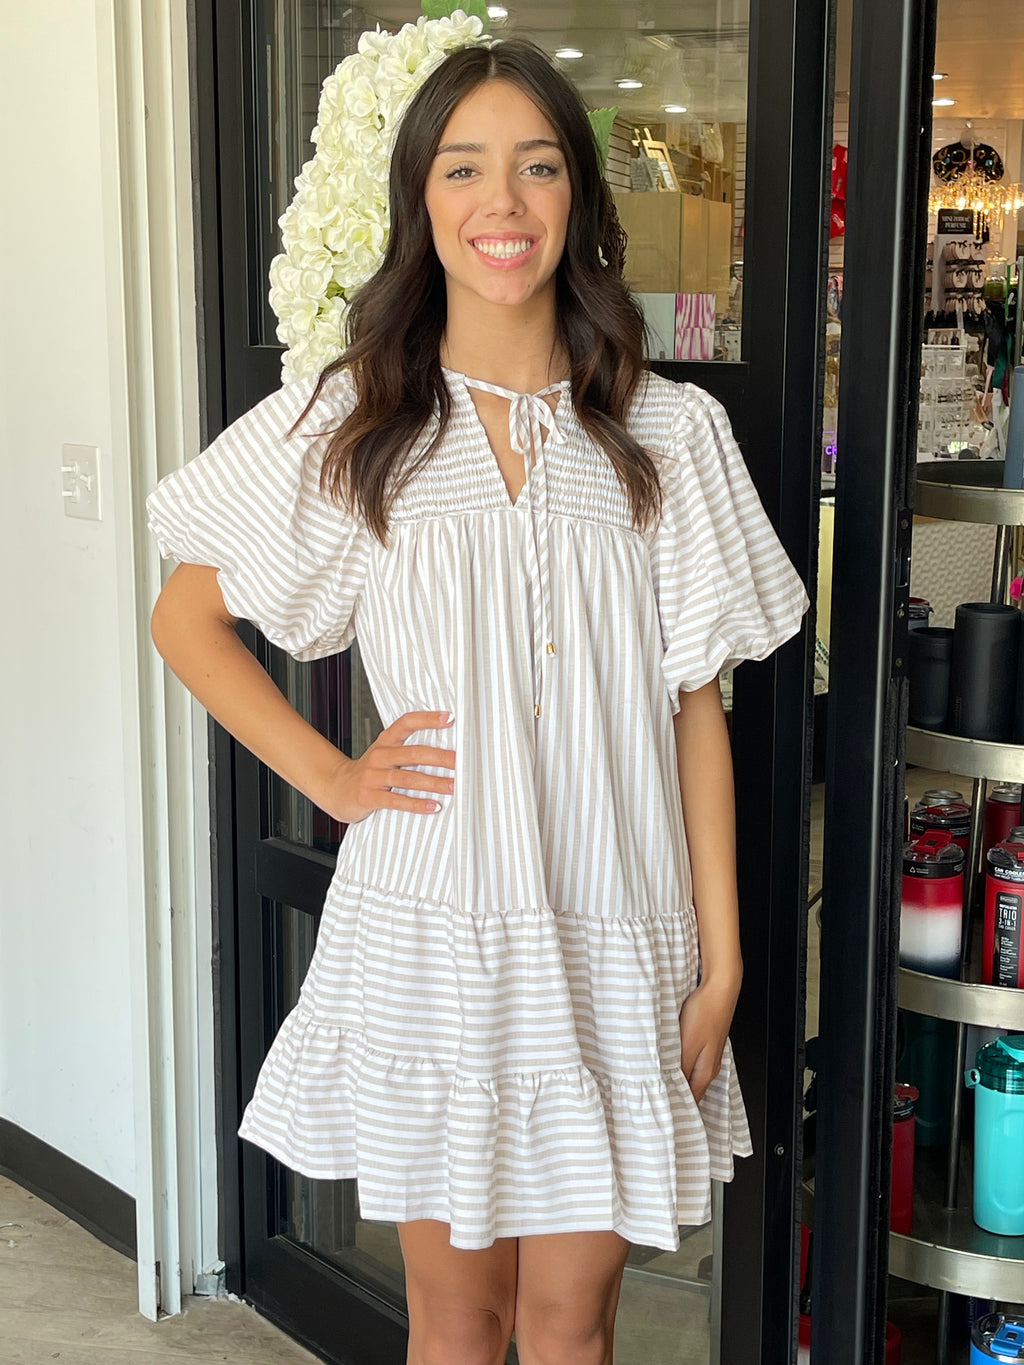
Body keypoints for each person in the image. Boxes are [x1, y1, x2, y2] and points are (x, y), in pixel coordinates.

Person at [147, 36, 809, 1365]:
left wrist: (725, 960)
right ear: (420, 200)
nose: (502, 202)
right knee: (458, 1320)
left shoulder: (670, 433)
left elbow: (697, 710)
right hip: (433, 929)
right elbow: (185, 616)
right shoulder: (356, 419)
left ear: (578, 199)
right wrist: (334, 777)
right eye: (463, 168)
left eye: (537, 166)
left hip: (618, 930)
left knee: (574, 1323)